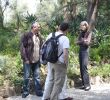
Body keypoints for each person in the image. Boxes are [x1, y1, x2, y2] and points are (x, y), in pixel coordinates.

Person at [42, 22, 70, 100]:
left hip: (50, 61)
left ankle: (45, 97)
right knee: (58, 83)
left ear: (59, 27)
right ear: (67, 30)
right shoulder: (65, 38)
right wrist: (66, 64)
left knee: (50, 80)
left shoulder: (51, 34)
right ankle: (53, 98)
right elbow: (65, 54)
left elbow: (44, 46)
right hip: (60, 63)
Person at [20, 21, 43, 98]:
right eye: (38, 27)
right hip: (28, 60)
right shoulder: (26, 35)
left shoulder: (39, 36)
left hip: (36, 60)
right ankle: (25, 92)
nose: (39, 28)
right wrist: (25, 59)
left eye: (39, 27)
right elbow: (22, 48)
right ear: (33, 27)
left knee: (37, 77)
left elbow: (41, 47)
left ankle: (39, 92)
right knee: (26, 77)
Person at [76, 21, 92, 91]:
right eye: (81, 25)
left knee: (84, 67)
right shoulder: (81, 33)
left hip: (85, 51)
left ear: (86, 26)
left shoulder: (89, 33)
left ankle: (88, 85)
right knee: (81, 67)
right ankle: (84, 84)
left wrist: (82, 41)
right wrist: (83, 41)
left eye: (83, 25)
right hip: (80, 51)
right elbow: (76, 42)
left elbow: (87, 43)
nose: (81, 27)